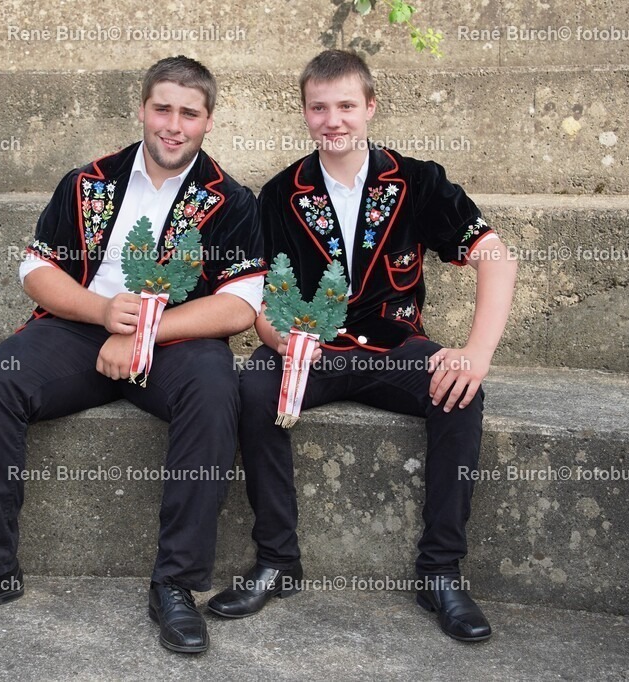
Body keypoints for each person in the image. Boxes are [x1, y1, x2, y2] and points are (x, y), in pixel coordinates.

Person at [0, 56, 267, 655]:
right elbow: (37, 268)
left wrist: (141, 334)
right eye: (162, 108)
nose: (173, 125)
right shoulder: (89, 182)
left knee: (216, 389)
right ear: (141, 109)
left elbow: (239, 305)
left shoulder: (231, 199)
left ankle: (177, 587)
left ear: (208, 120)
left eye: (189, 113)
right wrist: (103, 314)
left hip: (177, 340)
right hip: (81, 326)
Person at [208, 49, 517, 643]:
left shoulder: (418, 180)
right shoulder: (278, 194)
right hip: (312, 348)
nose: (334, 120)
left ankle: (441, 572)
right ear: (304, 114)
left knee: (460, 392)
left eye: (347, 105)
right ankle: (277, 560)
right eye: (319, 108)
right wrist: (283, 341)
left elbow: (495, 257)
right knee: (250, 387)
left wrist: (476, 353)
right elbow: (260, 296)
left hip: (395, 347)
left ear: (370, 108)